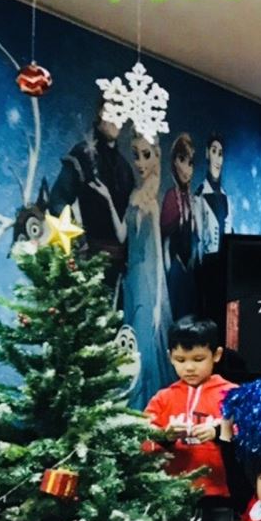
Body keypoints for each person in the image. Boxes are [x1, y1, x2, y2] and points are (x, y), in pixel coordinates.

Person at [145, 316, 240, 521]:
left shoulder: (231, 394)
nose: (189, 367)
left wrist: (218, 431)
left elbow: (248, 431)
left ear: (216, 355)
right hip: (175, 493)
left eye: (198, 358)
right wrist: (164, 437)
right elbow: (143, 441)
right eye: (180, 359)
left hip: (217, 492)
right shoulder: (163, 398)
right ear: (170, 356)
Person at [48, 102, 132, 288]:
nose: (117, 118)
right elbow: (58, 201)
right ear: (101, 112)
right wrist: (78, 240)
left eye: (121, 112)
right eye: (112, 111)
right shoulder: (82, 155)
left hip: (120, 272)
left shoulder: (125, 169)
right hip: (89, 266)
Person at [121, 132, 174, 411]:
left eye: (146, 155)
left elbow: (157, 259)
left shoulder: (152, 203)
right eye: (136, 155)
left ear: (156, 157)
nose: (140, 163)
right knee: (129, 343)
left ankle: (144, 409)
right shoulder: (133, 196)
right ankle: (131, 407)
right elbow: (122, 235)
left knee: (144, 345)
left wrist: (157, 305)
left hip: (147, 283)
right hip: (131, 279)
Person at [162, 133, 198, 317]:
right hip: (174, 268)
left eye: (190, 163)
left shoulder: (192, 200)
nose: (187, 169)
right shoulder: (171, 197)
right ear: (174, 162)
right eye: (182, 160)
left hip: (189, 270)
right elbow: (164, 239)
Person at [192, 133, 229, 261]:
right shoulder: (199, 196)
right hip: (208, 262)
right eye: (214, 151)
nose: (218, 159)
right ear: (207, 153)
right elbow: (198, 239)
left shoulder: (225, 197)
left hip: (225, 261)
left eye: (220, 154)